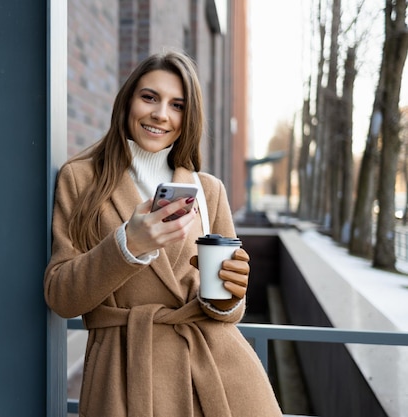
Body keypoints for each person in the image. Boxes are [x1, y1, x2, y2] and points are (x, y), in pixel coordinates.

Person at [44, 50, 282, 417]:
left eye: (178, 105)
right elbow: (61, 296)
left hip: (215, 373)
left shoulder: (209, 189)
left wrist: (228, 295)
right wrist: (128, 246)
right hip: (123, 374)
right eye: (149, 97)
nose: (160, 114)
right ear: (127, 101)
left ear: (189, 118)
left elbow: (229, 312)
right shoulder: (80, 179)